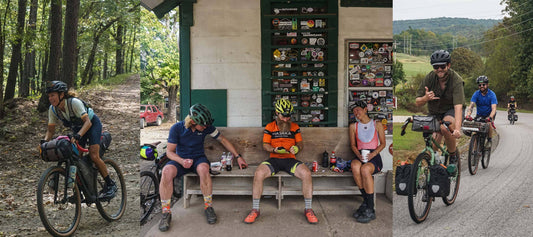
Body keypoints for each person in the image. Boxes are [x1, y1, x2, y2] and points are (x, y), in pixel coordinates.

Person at [158, 103, 248, 231]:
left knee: (204, 169)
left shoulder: (206, 127)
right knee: (166, 171)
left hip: (198, 159)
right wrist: (182, 161)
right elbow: (169, 152)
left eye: (207, 125)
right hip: (180, 160)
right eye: (203, 125)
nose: (206, 127)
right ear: (193, 121)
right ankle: (166, 213)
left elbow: (222, 140)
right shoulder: (177, 128)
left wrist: (238, 156)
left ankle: (208, 207)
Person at [243, 99, 318, 224]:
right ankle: (255, 209)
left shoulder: (294, 127)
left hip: (290, 160)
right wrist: (274, 149)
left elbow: (300, 143)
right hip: (274, 160)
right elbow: (265, 145)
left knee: (306, 174)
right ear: (277, 113)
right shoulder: (270, 127)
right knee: (259, 173)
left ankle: (308, 209)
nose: (286, 119)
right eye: (283, 116)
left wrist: (297, 148)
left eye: (288, 116)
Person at [44, 81, 117, 199]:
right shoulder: (53, 109)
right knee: (75, 159)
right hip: (78, 129)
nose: (50, 98)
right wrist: (44, 142)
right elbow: (50, 131)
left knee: (94, 155)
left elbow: (88, 122)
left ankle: (110, 184)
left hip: (92, 124)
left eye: (53, 95)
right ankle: (80, 192)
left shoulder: (74, 103)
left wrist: (78, 135)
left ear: (61, 94)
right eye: (49, 96)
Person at [415, 49, 465, 163]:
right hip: (435, 112)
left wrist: (457, 129)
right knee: (432, 146)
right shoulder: (430, 78)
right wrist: (425, 98)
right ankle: (435, 164)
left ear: (448, 65)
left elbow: (458, 107)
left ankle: (453, 155)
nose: (439, 69)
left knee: (445, 128)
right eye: (435, 67)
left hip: (450, 110)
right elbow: (417, 102)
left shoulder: (456, 80)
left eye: (442, 66)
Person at [349, 100, 385, 223]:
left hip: (373, 156)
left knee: (365, 170)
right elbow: (353, 145)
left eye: (358, 110)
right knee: (354, 166)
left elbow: (383, 144)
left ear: (365, 110)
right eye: (354, 112)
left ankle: (370, 209)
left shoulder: (377, 124)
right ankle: (367, 201)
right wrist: (359, 155)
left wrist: (373, 154)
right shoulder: (353, 126)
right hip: (361, 154)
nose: (356, 113)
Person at [465, 75, 497, 146]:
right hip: (480, 114)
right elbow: (471, 105)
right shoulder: (476, 94)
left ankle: (489, 140)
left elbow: (494, 108)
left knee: (488, 124)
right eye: (479, 85)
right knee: (476, 130)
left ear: (487, 84)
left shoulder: (492, 94)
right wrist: (468, 114)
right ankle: (475, 151)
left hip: (489, 114)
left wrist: (490, 118)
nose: (481, 86)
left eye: (483, 84)